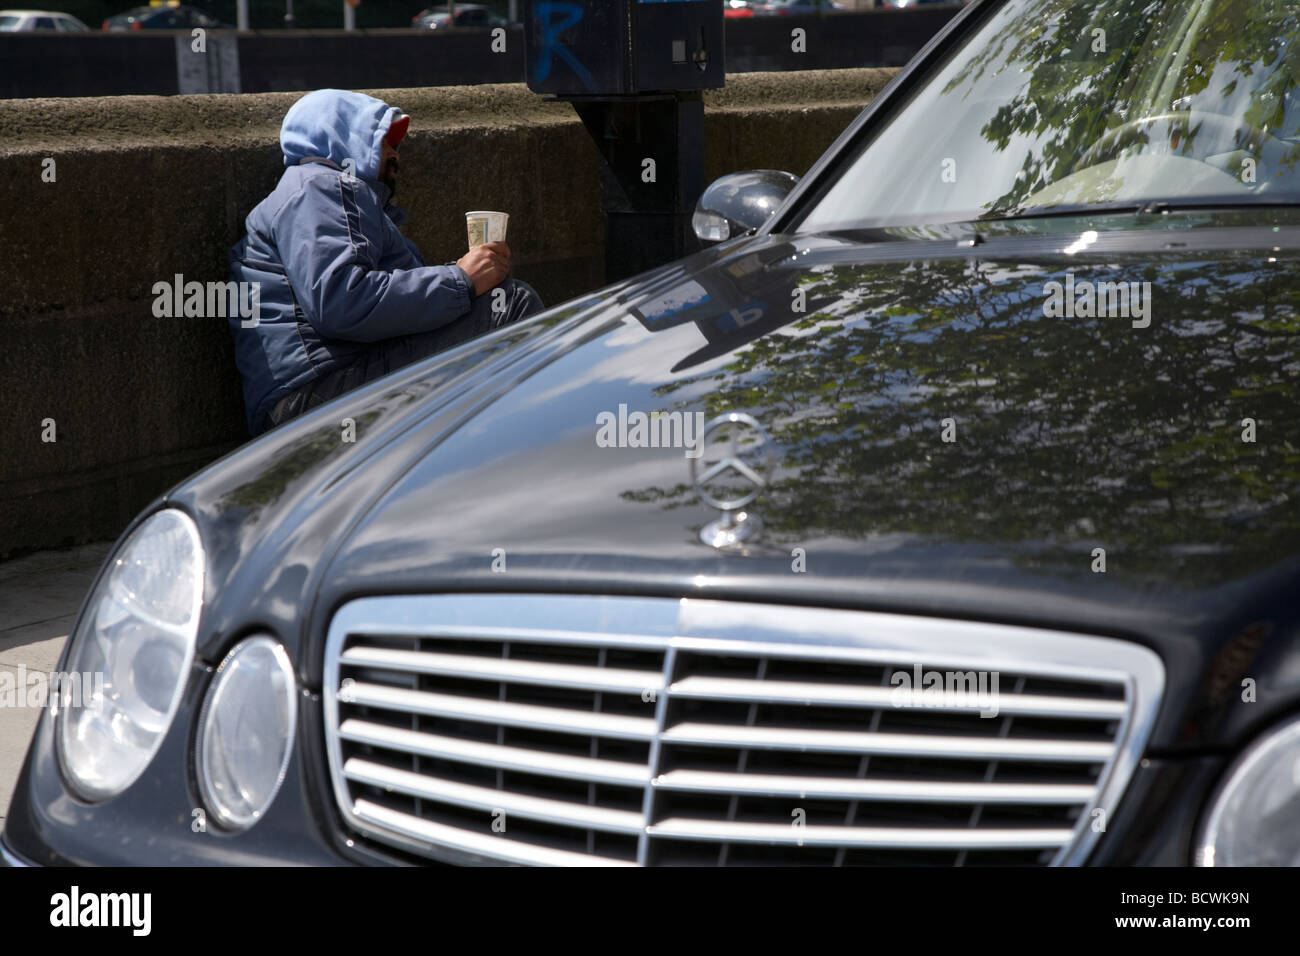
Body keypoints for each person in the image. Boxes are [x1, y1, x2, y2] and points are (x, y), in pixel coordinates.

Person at [228, 88, 545, 436]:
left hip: (307, 395)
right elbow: (341, 301)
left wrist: (459, 278)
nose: (396, 155)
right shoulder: (322, 186)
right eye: (384, 142)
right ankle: (531, 451)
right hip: (319, 395)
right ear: (345, 135)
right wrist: (460, 281)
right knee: (508, 305)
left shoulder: (317, 194)